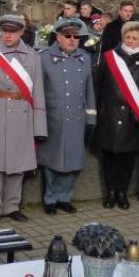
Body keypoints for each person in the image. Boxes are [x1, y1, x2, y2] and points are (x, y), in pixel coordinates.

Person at [0, 13, 47, 224]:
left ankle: (12, 205)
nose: (7, 36)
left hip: (23, 115)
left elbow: (38, 93)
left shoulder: (33, 57)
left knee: (18, 165)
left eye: (12, 32)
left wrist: (40, 127)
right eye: (4, 31)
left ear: (21, 32)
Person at [36, 18, 96, 214]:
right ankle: (50, 199)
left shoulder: (85, 58)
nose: (72, 40)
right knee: (52, 161)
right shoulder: (44, 58)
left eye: (76, 37)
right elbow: (38, 92)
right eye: (67, 36)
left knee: (73, 160)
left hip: (77, 119)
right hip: (53, 118)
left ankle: (65, 197)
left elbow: (89, 91)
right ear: (58, 37)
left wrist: (91, 118)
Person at [93, 20, 139, 210]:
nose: (130, 41)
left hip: (133, 118)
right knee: (109, 158)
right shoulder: (109, 58)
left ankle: (122, 192)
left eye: (134, 38)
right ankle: (111, 192)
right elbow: (97, 86)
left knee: (127, 160)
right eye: (127, 37)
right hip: (109, 116)